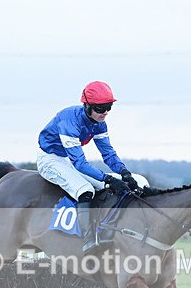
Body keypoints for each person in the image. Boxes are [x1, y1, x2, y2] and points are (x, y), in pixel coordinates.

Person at [37, 81, 142, 254]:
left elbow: (108, 154)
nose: (105, 112)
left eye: (109, 107)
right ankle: (87, 240)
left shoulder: (100, 123)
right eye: (100, 108)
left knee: (114, 188)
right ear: (87, 106)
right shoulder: (69, 121)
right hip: (50, 160)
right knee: (85, 190)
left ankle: (107, 230)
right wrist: (108, 179)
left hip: (69, 160)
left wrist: (124, 172)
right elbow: (80, 163)